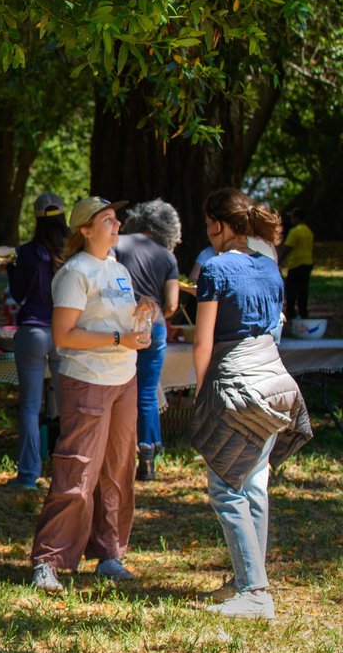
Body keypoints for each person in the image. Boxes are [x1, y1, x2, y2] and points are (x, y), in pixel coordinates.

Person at [191, 188, 312, 620]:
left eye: (208, 224)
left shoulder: (214, 269)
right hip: (276, 380)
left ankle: (255, 592)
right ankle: (248, 579)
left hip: (236, 381)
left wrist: (201, 394)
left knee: (226, 489)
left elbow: (204, 341)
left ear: (220, 225)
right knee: (255, 482)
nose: (207, 233)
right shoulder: (269, 268)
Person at [30, 197, 154, 594]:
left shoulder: (117, 269)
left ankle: (109, 554)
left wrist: (143, 311)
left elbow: (120, 319)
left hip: (124, 379)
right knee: (77, 469)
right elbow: (65, 335)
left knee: (117, 468)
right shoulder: (74, 272)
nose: (117, 225)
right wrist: (120, 337)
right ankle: (48, 560)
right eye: (108, 221)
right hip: (87, 380)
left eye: (117, 220)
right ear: (85, 230)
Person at [115, 199, 182, 482]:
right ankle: (148, 458)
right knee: (146, 393)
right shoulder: (168, 257)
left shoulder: (118, 244)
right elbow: (171, 306)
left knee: (117, 390)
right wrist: (153, 313)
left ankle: (116, 454)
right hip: (153, 328)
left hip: (121, 327)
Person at [6, 192, 68, 491]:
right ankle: (67, 471)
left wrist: (8, 267)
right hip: (64, 332)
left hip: (32, 332)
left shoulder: (27, 253)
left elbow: (18, 294)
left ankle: (28, 474)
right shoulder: (73, 251)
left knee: (30, 407)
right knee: (67, 406)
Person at [279, 206, 313, 320]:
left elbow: (288, 248)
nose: (291, 220)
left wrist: (278, 261)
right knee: (303, 290)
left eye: (292, 217)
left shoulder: (295, 231)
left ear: (297, 218)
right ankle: (303, 313)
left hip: (296, 264)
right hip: (308, 263)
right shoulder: (309, 231)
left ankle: (291, 313)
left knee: (291, 290)